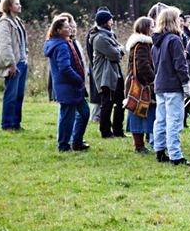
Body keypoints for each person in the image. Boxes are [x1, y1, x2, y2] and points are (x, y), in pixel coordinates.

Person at [152, 7, 190, 166]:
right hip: (173, 85)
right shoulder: (174, 40)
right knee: (174, 121)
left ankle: (159, 150)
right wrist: (185, 83)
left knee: (160, 120)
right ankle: (176, 155)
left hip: (160, 84)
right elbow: (180, 64)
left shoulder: (157, 41)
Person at [45, 16, 91, 152]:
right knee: (67, 117)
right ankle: (64, 146)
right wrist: (78, 79)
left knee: (84, 113)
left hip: (71, 87)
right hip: (68, 86)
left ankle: (76, 142)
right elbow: (64, 68)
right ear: (58, 30)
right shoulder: (62, 46)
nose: (69, 28)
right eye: (66, 27)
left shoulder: (65, 42)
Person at [0, 0, 28, 131]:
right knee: (11, 95)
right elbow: (4, 45)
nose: (19, 5)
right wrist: (11, 64)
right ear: (9, 6)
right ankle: (7, 125)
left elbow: (21, 43)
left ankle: (16, 124)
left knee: (19, 95)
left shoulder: (17, 20)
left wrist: (25, 58)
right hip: (14, 64)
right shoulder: (4, 22)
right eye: (16, 3)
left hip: (22, 62)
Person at [90, 9, 126, 138]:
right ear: (105, 22)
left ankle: (118, 130)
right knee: (107, 104)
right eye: (110, 19)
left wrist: (119, 50)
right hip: (106, 76)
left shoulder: (110, 35)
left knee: (121, 103)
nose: (112, 21)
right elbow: (115, 54)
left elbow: (121, 48)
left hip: (116, 74)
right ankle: (105, 131)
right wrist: (119, 50)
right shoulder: (100, 38)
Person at [124, 16, 156, 154]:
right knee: (138, 113)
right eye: (152, 26)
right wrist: (153, 80)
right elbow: (143, 66)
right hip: (140, 85)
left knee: (142, 114)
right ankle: (139, 146)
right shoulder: (142, 45)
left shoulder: (142, 44)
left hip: (139, 83)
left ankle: (142, 144)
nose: (155, 28)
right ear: (146, 28)